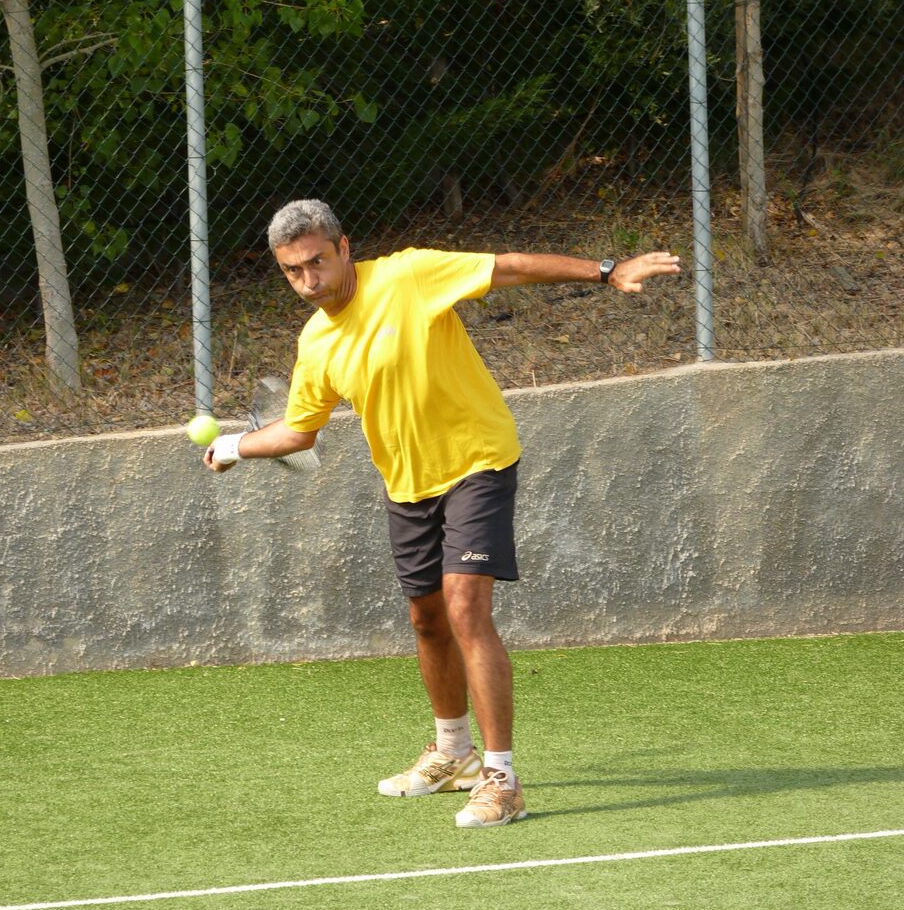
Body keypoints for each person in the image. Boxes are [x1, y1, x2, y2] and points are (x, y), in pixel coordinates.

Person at [204, 199, 680, 828]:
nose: (309, 280)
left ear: (344, 248)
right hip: (407, 485)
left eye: (317, 262)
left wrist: (605, 270)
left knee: (463, 607)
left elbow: (508, 268)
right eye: (293, 271)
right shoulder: (316, 342)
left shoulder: (408, 275)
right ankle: (454, 753)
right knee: (427, 621)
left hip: (477, 461)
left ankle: (502, 779)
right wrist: (235, 447)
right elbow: (299, 431)